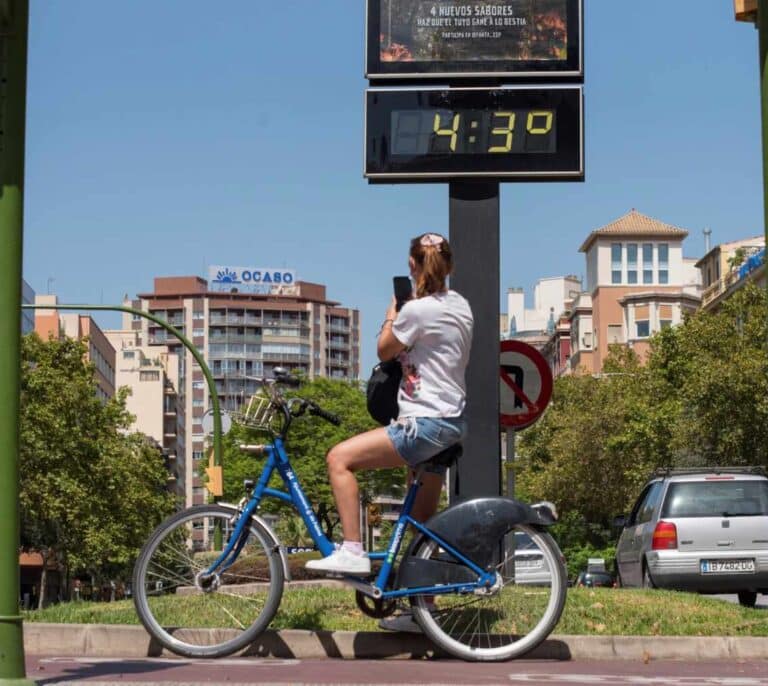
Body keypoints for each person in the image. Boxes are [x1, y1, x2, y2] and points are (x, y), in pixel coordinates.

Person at [306, 232, 473, 582]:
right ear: (450, 266)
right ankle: (424, 607)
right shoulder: (460, 304)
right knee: (421, 526)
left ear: (412, 264)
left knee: (339, 459)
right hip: (451, 423)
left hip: (423, 424)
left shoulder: (414, 312)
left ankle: (352, 550)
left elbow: (384, 350)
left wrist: (390, 315)